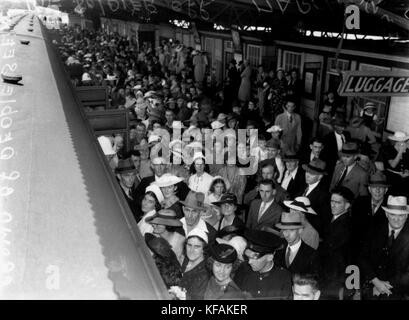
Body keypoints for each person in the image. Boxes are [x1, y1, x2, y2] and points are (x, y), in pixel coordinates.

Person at [358, 196, 409, 300]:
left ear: (406, 216)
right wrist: (375, 281)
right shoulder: (374, 230)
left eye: (401, 215)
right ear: (386, 214)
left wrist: (382, 287)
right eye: (392, 214)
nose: (396, 219)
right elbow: (362, 257)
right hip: (371, 288)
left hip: (397, 293)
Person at [234, 229, 291, 299]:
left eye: (254, 257)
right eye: (248, 257)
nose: (249, 261)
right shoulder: (243, 269)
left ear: (270, 257)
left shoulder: (284, 278)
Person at [319, 186, 354, 300]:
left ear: (347, 205)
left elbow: (329, 250)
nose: (332, 205)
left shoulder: (346, 226)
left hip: (334, 277)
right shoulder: (332, 217)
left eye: (337, 202)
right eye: (332, 201)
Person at [351, 171, 390, 261]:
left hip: (378, 255)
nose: (377, 190)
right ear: (369, 189)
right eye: (374, 187)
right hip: (358, 252)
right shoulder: (359, 203)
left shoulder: (389, 208)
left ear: (386, 190)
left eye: (381, 187)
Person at [299, 159, 332, 235]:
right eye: (307, 171)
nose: (307, 175)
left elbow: (323, 221)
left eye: (312, 173)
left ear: (320, 176)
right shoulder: (303, 187)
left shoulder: (324, 195)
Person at [180, 229, 211, 300]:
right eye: (189, 245)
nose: (191, 250)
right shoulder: (186, 259)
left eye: (197, 247)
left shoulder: (204, 274)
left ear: (204, 249)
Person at [382, 131, 409, 197]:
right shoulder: (388, 150)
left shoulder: (407, 150)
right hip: (391, 177)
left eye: (405, 141)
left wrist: (407, 171)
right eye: (404, 141)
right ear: (397, 142)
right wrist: (400, 152)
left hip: (404, 177)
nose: (406, 143)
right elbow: (393, 165)